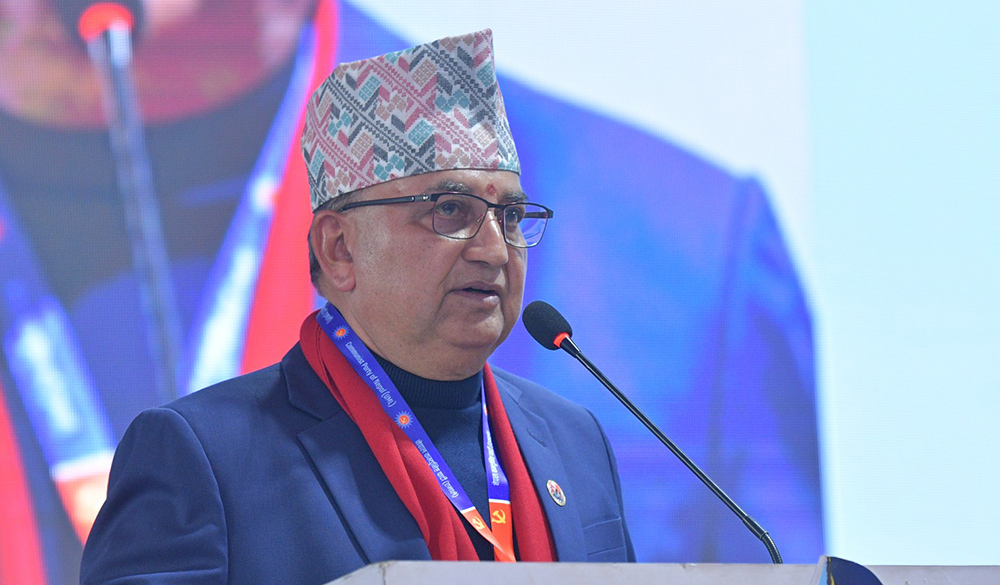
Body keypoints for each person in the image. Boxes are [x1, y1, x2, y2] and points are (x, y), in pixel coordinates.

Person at [79, 29, 634, 584]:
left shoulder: (575, 439)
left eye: (509, 217)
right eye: (450, 210)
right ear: (339, 248)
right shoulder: (202, 457)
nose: (494, 250)